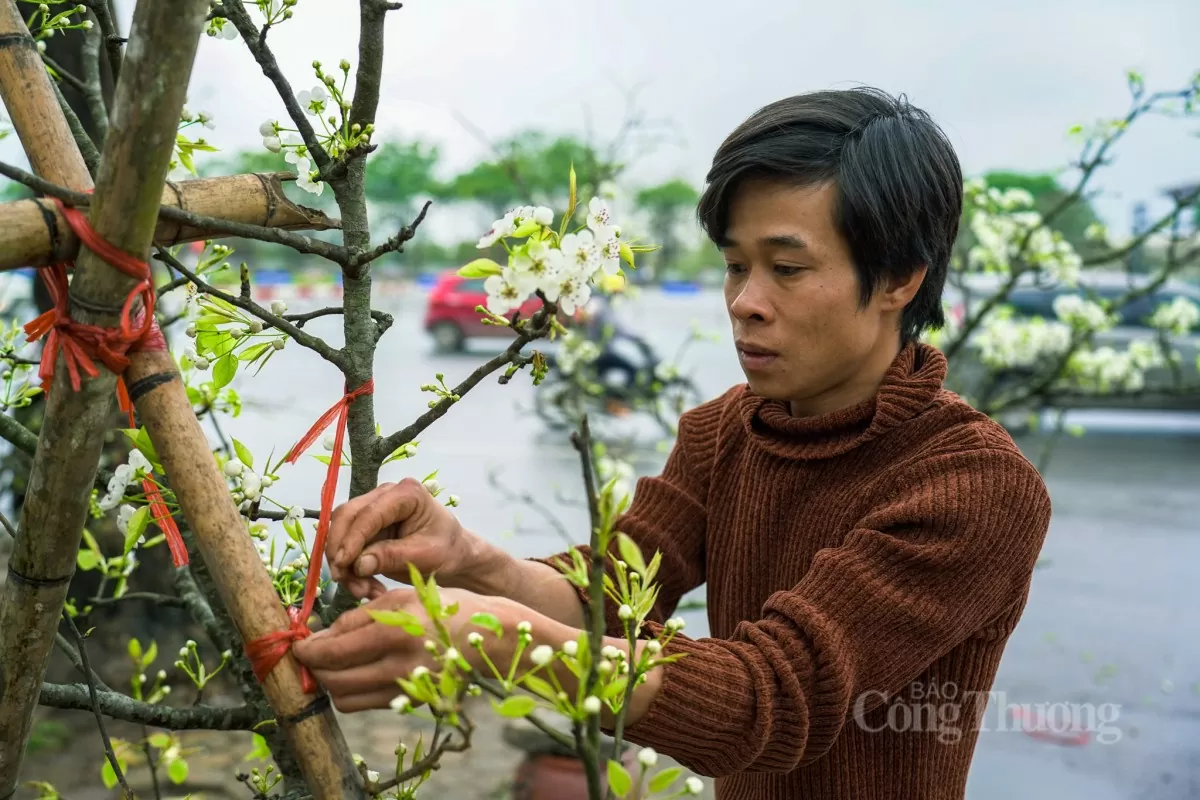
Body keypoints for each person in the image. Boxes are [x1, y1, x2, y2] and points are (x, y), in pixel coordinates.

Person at [293, 87, 1053, 800]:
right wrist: (469, 559)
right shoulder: (726, 430)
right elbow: (616, 595)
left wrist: (496, 639)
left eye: (787, 269)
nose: (746, 303)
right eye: (734, 266)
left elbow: (770, 701)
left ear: (899, 279)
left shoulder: (974, 487)